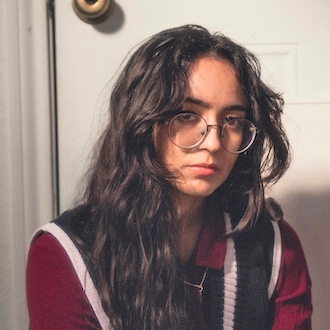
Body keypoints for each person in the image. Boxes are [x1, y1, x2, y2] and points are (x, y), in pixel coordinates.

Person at [26, 25, 312, 329]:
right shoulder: (65, 254)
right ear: (143, 121)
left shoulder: (273, 246)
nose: (214, 142)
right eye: (187, 115)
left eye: (232, 120)